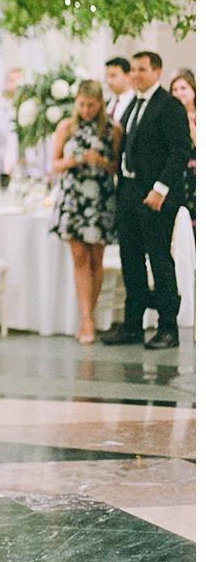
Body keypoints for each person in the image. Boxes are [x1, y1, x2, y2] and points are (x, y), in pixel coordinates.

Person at [104, 51, 188, 350]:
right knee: (131, 259)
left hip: (155, 195)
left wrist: (160, 188)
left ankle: (168, 328)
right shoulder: (134, 105)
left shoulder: (169, 105)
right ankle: (132, 326)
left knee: (159, 259)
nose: (136, 75)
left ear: (157, 72)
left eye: (142, 69)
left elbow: (180, 151)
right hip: (129, 191)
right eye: (134, 70)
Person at [49, 80, 120, 345]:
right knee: (79, 257)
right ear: (76, 102)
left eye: (91, 105)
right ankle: (86, 318)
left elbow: (116, 168)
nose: (86, 110)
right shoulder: (66, 127)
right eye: (82, 104)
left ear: (100, 103)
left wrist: (100, 161)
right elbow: (54, 164)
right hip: (73, 197)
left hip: (100, 197)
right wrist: (72, 161)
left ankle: (87, 314)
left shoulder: (113, 129)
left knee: (95, 258)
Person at [170, 70, 197, 218]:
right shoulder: (172, 119)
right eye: (175, 90)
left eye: (183, 88)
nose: (179, 93)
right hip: (180, 175)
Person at [104, 57, 134, 121]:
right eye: (107, 76)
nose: (109, 81)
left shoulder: (135, 103)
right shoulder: (106, 103)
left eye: (113, 76)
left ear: (128, 76)